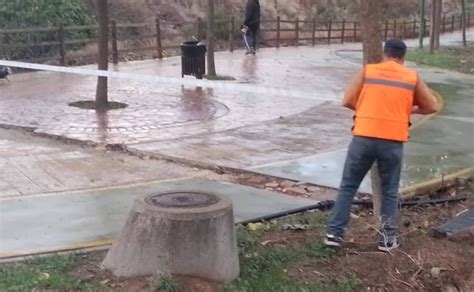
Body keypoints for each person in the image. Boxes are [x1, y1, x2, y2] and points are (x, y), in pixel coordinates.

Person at [324, 39, 440, 252]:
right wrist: (409, 110)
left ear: (385, 54)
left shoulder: (369, 71)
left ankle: (334, 234)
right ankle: (387, 239)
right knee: (390, 191)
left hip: (363, 137)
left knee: (348, 186)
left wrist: (369, 109)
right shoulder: (411, 77)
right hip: (392, 141)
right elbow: (432, 105)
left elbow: (347, 99)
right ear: (403, 58)